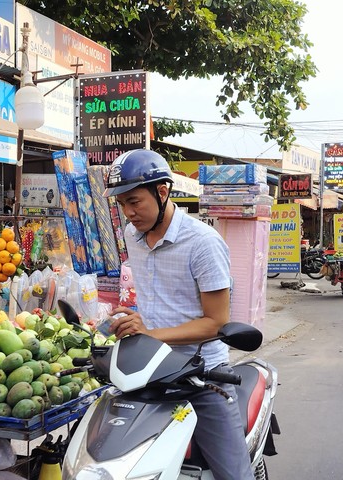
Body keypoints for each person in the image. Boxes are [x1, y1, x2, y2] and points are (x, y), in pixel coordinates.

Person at [103, 149, 254, 480]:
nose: (128, 212)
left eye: (134, 201)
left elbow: (216, 322)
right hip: (152, 371)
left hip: (203, 377)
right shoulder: (133, 235)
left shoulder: (203, 243)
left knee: (235, 476)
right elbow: (161, 299)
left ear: (162, 192)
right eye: (121, 204)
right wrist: (136, 320)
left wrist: (151, 334)